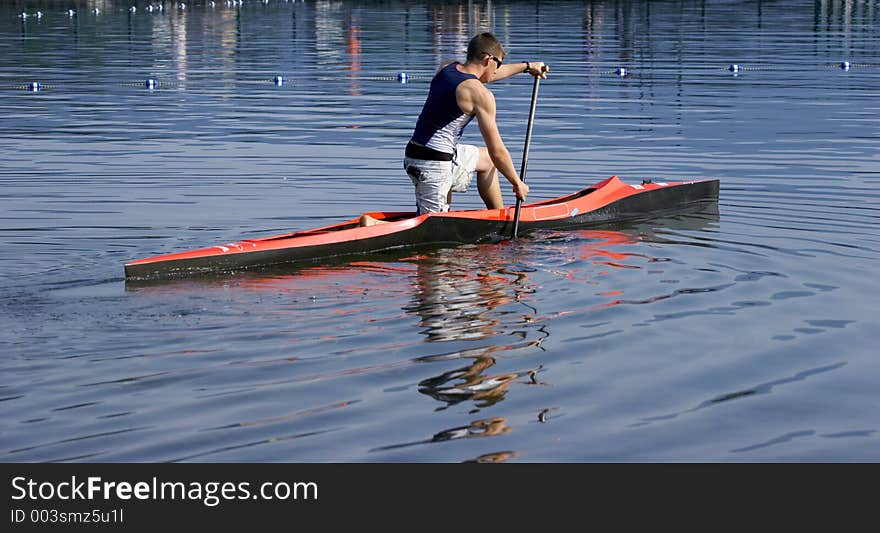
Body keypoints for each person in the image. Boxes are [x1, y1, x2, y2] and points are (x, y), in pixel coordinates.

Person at [360, 32, 547, 226]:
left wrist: (527, 67)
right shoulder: (481, 95)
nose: (497, 70)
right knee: (432, 228)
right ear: (488, 59)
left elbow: (488, 75)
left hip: (420, 152)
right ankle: (374, 225)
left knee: (487, 160)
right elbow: (497, 150)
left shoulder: (447, 67)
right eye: (498, 64)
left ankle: (499, 219)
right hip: (433, 166)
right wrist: (517, 182)